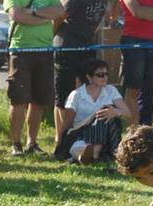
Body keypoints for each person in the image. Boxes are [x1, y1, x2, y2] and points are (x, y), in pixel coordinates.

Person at [4, 0, 63, 155]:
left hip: (45, 49)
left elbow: (58, 10)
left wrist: (33, 13)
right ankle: (16, 144)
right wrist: (44, 16)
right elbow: (17, 15)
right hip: (20, 50)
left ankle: (32, 142)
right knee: (18, 100)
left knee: (39, 101)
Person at [52, 0, 108, 145]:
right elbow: (59, 16)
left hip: (87, 45)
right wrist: (51, 37)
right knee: (64, 96)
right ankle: (61, 142)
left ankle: (78, 137)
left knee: (84, 92)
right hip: (67, 45)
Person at [59, 59, 130, 164]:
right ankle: (88, 155)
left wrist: (115, 112)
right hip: (82, 133)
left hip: (107, 135)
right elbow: (68, 123)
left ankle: (94, 154)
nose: (105, 77)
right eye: (100, 75)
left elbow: (127, 113)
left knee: (106, 111)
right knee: (80, 145)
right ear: (89, 77)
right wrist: (61, 141)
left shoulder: (110, 90)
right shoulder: (76, 95)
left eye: (106, 74)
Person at [119, 0, 153, 126]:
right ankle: (134, 132)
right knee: (133, 89)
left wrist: (148, 15)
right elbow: (137, 12)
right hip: (132, 40)